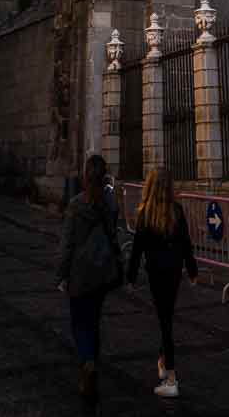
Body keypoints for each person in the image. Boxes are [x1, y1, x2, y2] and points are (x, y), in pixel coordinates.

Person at [55, 153, 121, 408]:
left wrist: (60, 274)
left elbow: (67, 244)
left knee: (78, 322)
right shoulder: (110, 203)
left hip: (79, 274)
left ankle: (87, 362)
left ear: (85, 176)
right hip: (103, 271)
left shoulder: (76, 204)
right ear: (104, 176)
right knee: (93, 320)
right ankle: (92, 360)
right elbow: (112, 233)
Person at [126, 168, 197, 399]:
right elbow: (186, 243)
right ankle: (162, 358)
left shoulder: (145, 213)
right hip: (174, 272)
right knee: (166, 317)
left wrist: (131, 277)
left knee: (165, 321)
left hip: (156, 273)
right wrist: (192, 270)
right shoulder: (176, 210)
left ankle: (172, 379)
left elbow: (137, 250)